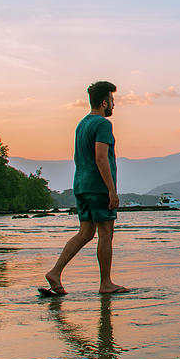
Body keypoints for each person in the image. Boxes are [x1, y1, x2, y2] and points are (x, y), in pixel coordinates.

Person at [42, 81, 130, 295]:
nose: (113, 105)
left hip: (81, 185)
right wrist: (112, 190)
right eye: (112, 101)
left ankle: (55, 272)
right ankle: (106, 283)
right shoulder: (102, 124)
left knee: (86, 232)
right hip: (98, 187)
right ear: (103, 102)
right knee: (106, 232)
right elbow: (101, 158)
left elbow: (79, 156)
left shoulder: (81, 124)